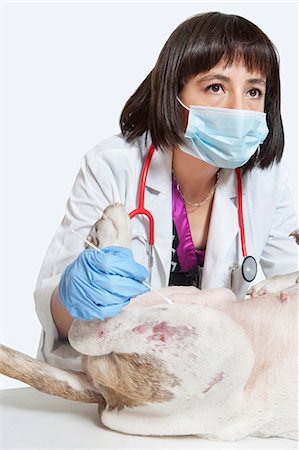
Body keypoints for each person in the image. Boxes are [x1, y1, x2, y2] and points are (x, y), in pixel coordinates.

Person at [34, 11, 298, 370]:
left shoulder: (265, 180)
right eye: (216, 87)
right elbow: (54, 312)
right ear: (174, 94)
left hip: (206, 384)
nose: (239, 108)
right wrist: (78, 295)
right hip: (110, 376)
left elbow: (291, 289)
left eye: (254, 91)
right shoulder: (112, 166)